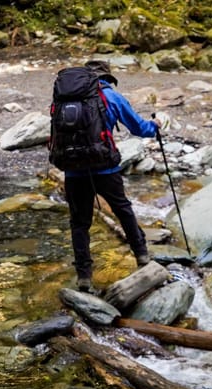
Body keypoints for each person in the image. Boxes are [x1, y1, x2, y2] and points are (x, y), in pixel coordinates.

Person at [64, 59, 161, 293]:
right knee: (123, 210)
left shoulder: (66, 99)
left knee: (80, 223)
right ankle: (142, 255)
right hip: (105, 168)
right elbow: (138, 128)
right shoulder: (112, 97)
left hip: (73, 170)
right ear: (107, 78)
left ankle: (84, 277)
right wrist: (155, 126)